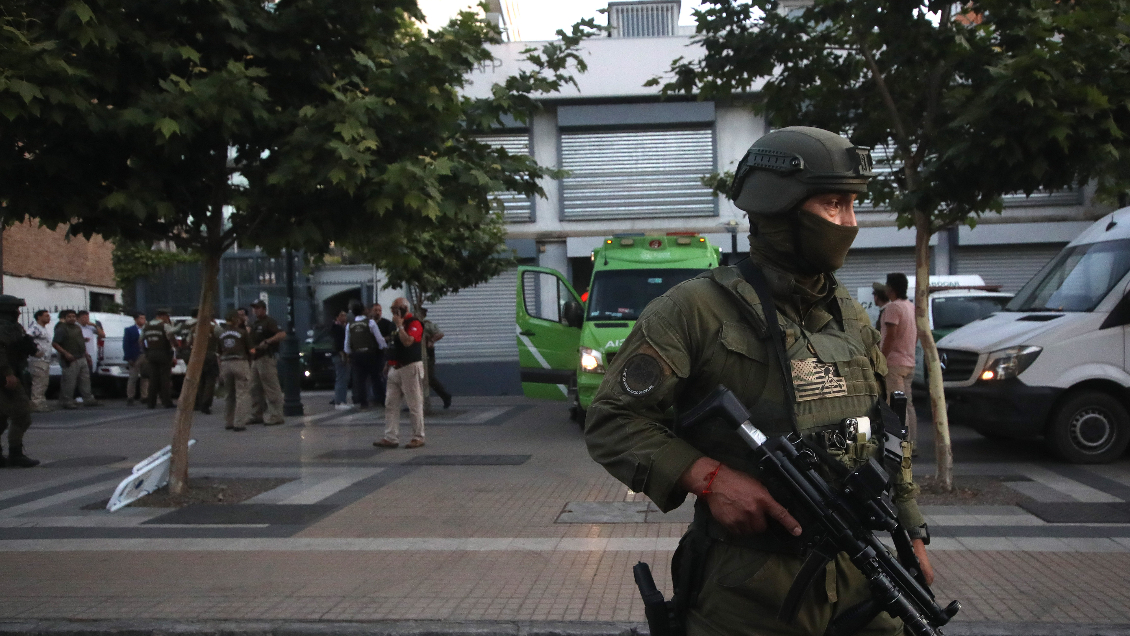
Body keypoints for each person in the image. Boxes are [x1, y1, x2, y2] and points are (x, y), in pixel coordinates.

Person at [584, 127, 931, 636]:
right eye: (834, 204)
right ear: (779, 208)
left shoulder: (851, 315)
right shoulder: (693, 310)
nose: (850, 223)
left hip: (860, 574)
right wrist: (708, 477)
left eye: (853, 205)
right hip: (749, 589)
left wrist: (909, 529)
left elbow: (881, 431)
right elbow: (613, 421)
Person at [373, 297, 426, 449]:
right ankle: (391, 436)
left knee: (414, 403)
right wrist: (388, 363)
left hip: (410, 367)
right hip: (395, 368)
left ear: (403, 308)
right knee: (390, 403)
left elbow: (408, 342)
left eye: (395, 309)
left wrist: (400, 327)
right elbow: (393, 345)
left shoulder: (414, 323)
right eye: (392, 309)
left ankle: (418, 436)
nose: (393, 312)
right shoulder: (395, 326)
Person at [0, 295, 40, 467]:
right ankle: (15, 453)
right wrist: (7, 373)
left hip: (14, 373)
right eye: (15, 309)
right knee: (22, 414)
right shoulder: (4, 327)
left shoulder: (13, 327)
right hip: (6, 376)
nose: (18, 312)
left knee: (2, 417)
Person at [882, 272, 919, 444]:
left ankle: (900, 445)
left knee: (896, 405)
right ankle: (911, 443)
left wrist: (881, 358)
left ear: (892, 288)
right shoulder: (910, 306)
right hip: (909, 362)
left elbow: (891, 335)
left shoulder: (893, 307)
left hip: (894, 363)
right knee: (908, 404)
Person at [248, 299, 286, 426]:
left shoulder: (269, 322)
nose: (255, 310)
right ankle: (256, 414)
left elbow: (282, 335)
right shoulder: (254, 323)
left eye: (258, 308)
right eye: (254, 308)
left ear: (264, 309)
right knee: (254, 387)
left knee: (271, 387)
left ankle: (276, 415)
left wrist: (268, 341)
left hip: (267, 357)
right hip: (256, 358)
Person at [345, 301, 387, 410]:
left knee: (360, 380)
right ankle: (382, 400)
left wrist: (349, 353)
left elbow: (347, 343)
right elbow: (380, 339)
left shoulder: (350, 325)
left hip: (357, 355)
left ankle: (363, 402)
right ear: (364, 310)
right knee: (376, 378)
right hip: (371, 354)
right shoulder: (370, 323)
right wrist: (383, 348)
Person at [217, 311, 255, 431]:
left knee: (229, 394)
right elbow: (252, 350)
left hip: (225, 363)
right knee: (242, 394)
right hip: (240, 363)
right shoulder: (242, 333)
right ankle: (239, 423)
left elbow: (219, 352)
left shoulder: (221, 334)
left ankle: (228, 421)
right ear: (236, 321)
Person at [53, 309, 98, 409]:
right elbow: (55, 343)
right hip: (70, 358)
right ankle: (67, 401)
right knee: (69, 381)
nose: (72, 318)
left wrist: (86, 354)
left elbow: (80, 341)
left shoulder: (77, 328)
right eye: (69, 317)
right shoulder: (62, 328)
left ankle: (88, 399)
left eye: (73, 316)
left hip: (81, 357)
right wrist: (65, 353)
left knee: (85, 379)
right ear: (65, 318)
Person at [141, 310, 177, 409]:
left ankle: (151, 403)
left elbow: (140, 340)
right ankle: (167, 402)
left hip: (151, 354)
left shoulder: (146, 326)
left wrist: (146, 351)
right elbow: (172, 338)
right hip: (164, 354)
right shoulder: (165, 326)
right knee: (165, 379)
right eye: (167, 316)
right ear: (163, 316)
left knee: (153, 378)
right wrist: (176, 347)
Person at [419, 307, 452, 409]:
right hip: (417, 354)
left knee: (429, 378)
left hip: (428, 354)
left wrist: (431, 340)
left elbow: (440, 334)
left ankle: (445, 396)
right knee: (417, 379)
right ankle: (418, 403)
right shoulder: (412, 325)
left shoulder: (427, 325)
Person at [26, 309, 54, 412]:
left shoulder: (43, 329)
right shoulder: (35, 328)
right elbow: (27, 339)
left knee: (43, 382)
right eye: (46, 316)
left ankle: (41, 402)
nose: (48, 317)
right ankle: (36, 403)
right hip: (38, 360)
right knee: (38, 382)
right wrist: (34, 351)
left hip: (45, 360)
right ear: (39, 317)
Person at [124, 313, 148, 406]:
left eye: (144, 318)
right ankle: (130, 397)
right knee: (133, 377)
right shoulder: (130, 330)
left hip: (145, 355)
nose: (143, 320)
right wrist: (129, 357)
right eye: (141, 318)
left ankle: (144, 396)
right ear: (136, 319)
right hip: (135, 356)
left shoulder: (146, 329)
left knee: (145, 377)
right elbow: (126, 344)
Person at [331, 310, 351, 409]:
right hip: (340, 355)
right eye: (342, 315)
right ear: (337, 317)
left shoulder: (342, 327)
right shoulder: (337, 328)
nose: (344, 317)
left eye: (345, 315)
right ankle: (339, 401)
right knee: (341, 378)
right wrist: (343, 355)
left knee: (343, 378)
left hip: (340, 355)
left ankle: (341, 400)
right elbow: (339, 344)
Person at [76, 310, 104, 375]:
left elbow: (102, 335)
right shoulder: (76, 327)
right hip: (80, 354)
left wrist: (95, 325)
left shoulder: (90, 327)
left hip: (90, 354)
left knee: (88, 373)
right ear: (79, 318)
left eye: (87, 318)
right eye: (84, 318)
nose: (86, 320)